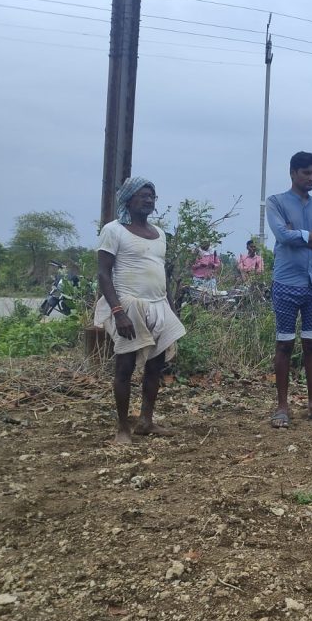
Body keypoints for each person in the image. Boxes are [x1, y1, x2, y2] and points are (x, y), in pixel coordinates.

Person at [95, 177, 187, 445]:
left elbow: (161, 274)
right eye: (142, 195)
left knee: (155, 366)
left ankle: (146, 421)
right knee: (124, 367)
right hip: (128, 304)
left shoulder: (159, 234)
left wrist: (170, 309)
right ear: (128, 199)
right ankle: (123, 428)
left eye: (151, 196)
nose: (148, 200)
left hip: (158, 305)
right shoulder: (114, 230)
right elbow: (103, 273)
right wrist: (118, 311)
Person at [265, 151, 312, 428]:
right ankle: (282, 408)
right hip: (286, 284)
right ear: (293, 173)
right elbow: (281, 235)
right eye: (307, 173)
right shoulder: (276, 202)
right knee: (284, 344)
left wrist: (299, 237)